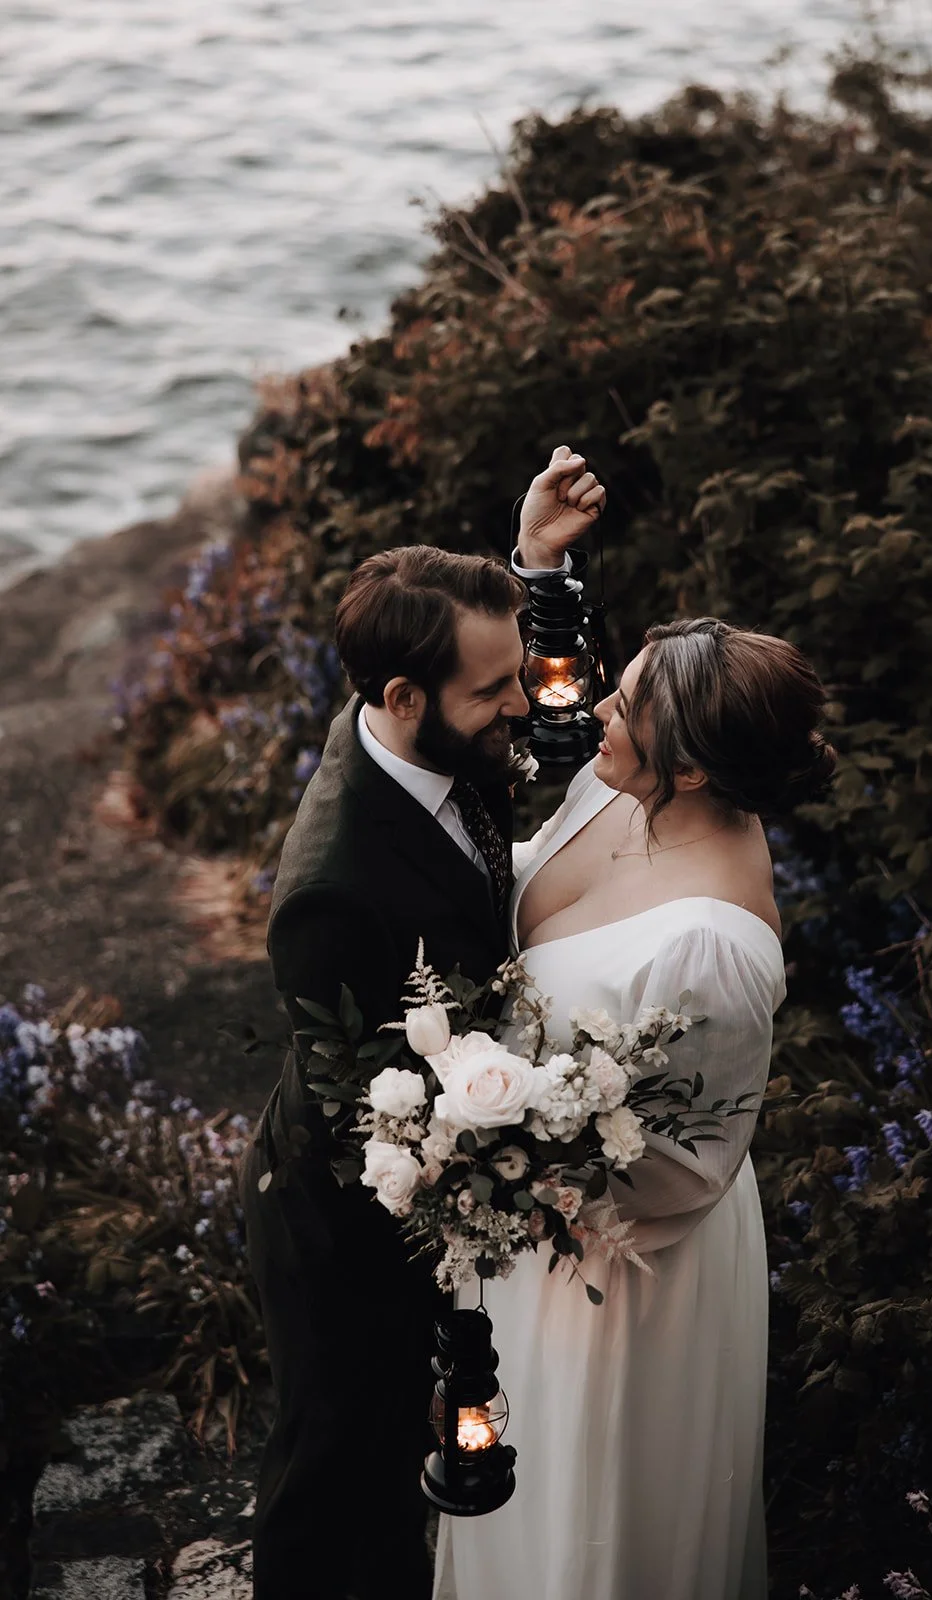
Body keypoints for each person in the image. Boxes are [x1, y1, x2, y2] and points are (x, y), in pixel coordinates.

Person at [238, 447, 606, 1600]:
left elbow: (537, 707)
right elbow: (366, 1114)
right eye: (493, 690)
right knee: (335, 1472)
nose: (524, 704)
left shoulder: (435, 731)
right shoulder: (331, 892)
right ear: (403, 699)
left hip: (420, 1186)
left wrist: (535, 564)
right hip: (345, 1229)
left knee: (419, 1470)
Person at [435, 590, 836, 1599]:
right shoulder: (623, 791)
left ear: (694, 765)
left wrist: (490, 1145)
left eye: (620, 707)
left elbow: (682, 1166)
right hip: (528, 1223)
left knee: (591, 1521)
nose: (587, 714)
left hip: (619, 1272)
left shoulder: (711, 948)